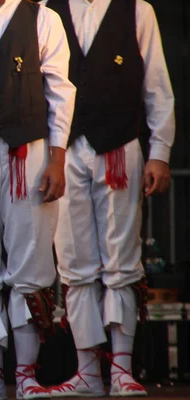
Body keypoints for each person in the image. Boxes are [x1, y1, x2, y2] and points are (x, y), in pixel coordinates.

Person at [41, 0, 175, 397]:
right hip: (63, 152)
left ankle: (121, 368)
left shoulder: (137, 10)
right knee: (73, 258)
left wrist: (160, 153)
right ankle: (85, 368)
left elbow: (157, 87)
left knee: (120, 258)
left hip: (118, 147)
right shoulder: (48, 9)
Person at [0, 0, 75, 398]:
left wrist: (57, 159)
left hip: (29, 153)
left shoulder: (43, 17)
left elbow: (60, 94)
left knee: (32, 263)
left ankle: (25, 374)